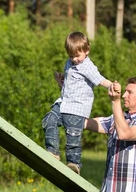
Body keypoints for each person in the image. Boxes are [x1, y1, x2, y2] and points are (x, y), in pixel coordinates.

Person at [42, 32, 112, 174]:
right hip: (63, 103)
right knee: (49, 119)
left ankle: (74, 164)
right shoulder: (69, 62)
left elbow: (100, 80)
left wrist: (112, 86)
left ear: (86, 51)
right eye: (70, 56)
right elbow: (71, 84)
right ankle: (52, 152)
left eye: (77, 56)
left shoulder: (87, 66)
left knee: (73, 137)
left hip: (77, 108)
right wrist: (61, 81)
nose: (74, 59)